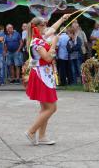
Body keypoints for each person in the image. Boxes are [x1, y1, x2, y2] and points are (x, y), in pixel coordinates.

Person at [24, 18, 59, 146]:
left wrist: (62, 18)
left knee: (45, 107)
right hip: (42, 76)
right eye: (43, 24)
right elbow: (48, 57)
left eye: (46, 24)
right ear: (37, 27)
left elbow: (53, 28)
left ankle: (42, 136)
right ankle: (31, 131)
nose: (46, 26)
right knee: (51, 108)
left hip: (44, 74)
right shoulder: (37, 42)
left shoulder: (40, 37)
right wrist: (54, 43)